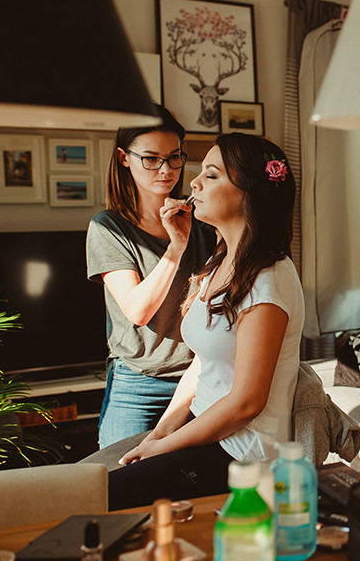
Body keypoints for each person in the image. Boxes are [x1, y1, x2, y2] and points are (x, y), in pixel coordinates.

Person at [106, 133, 303, 510]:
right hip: (206, 431)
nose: (193, 183)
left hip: (241, 453)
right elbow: (201, 366)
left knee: (102, 500)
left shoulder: (268, 279)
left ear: (248, 194)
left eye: (211, 175)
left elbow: (246, 403)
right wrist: (159, 434)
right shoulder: (221, 262)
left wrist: (164, 447)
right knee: (93, 490)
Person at [86, 106, 216, 449]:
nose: (166, 169)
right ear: (123, 158)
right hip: (137, 383)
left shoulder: (204, 220)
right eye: (151, 159)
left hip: (200, 376)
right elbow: (138, 311)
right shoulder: (109, 227)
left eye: (174, 157)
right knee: (118, 474)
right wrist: (177, 246)